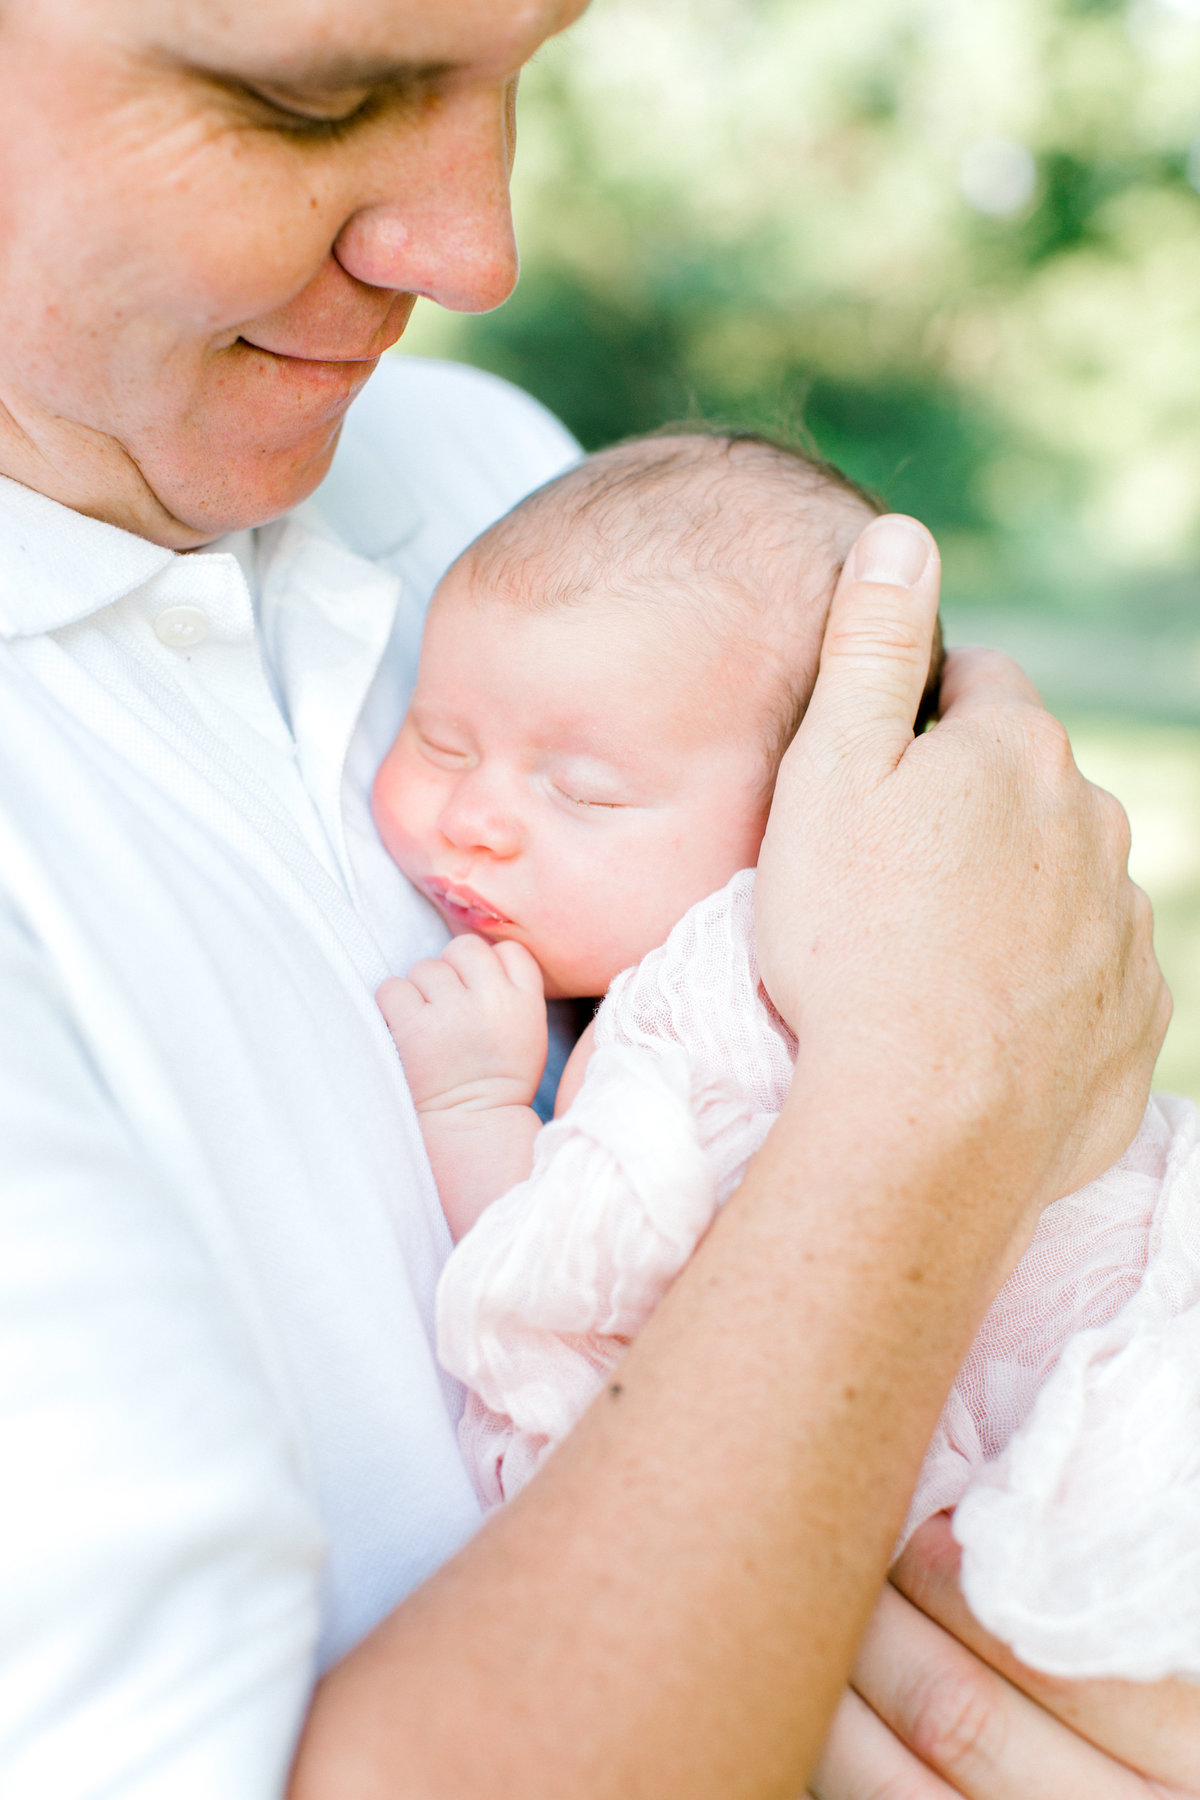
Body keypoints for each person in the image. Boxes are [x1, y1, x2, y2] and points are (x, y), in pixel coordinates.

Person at [0, 1, 1188, 1795]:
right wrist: (939, 1088)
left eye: (518, 71)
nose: (474, 250)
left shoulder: (471, 479)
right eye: (308, 97)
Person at [374, 431, 1200, 1690]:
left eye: (586, 793)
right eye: (438, 740)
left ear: (804, 810)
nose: (474, 819)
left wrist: (475, 1103)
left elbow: (590, 1315)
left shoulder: (713, 1008)